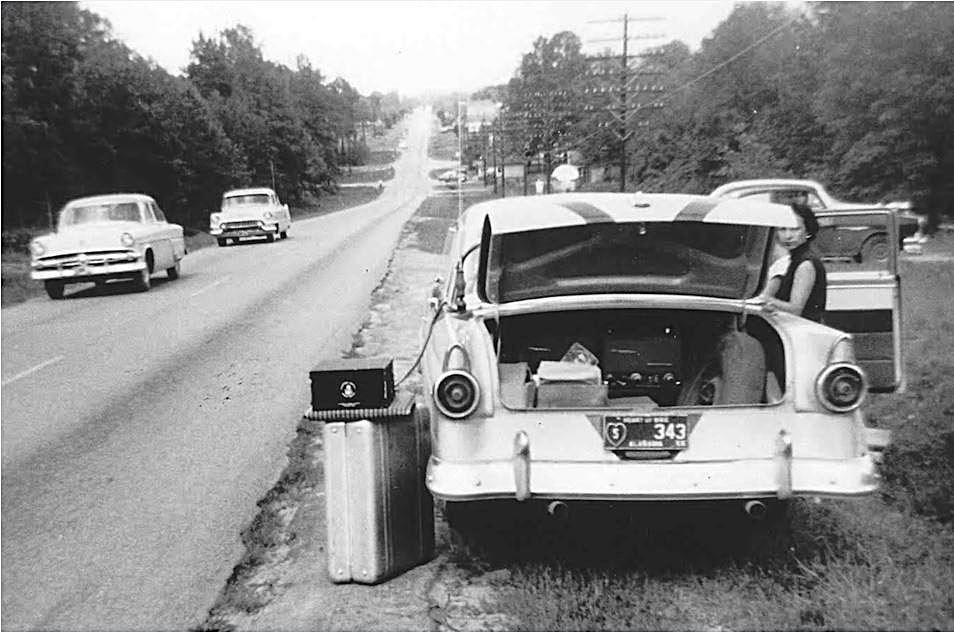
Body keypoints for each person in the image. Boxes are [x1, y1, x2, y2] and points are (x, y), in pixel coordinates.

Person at [755, 203, 827, 322]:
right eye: (782, 229)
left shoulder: (805, 264)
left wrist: (764, 299)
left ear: (808, 231)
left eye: (795, 229)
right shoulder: (789, 259)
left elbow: (795, 309)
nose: (788, 236)